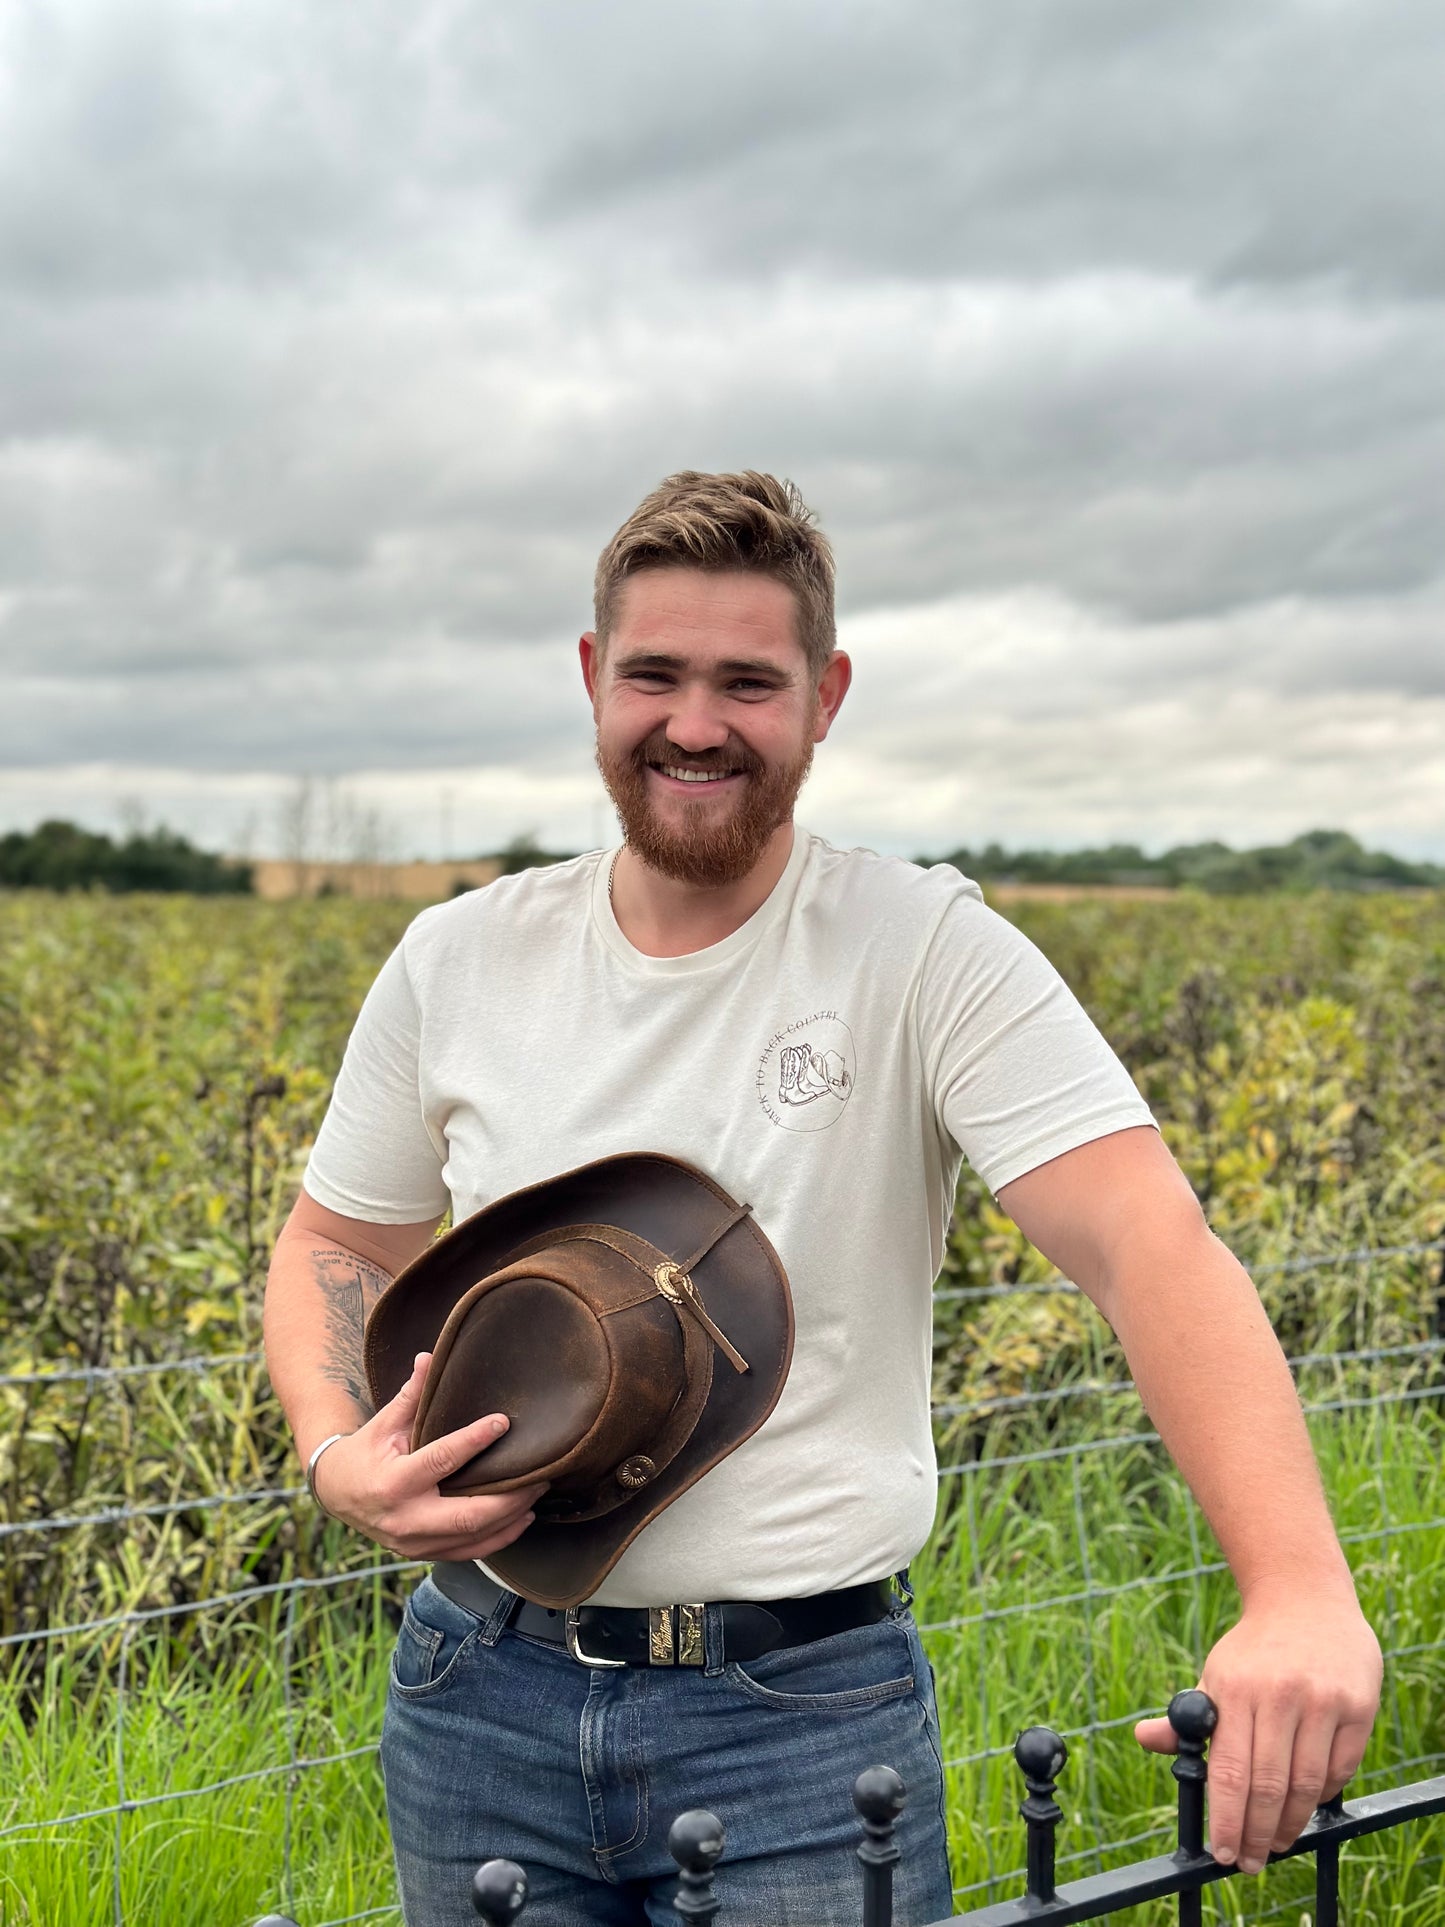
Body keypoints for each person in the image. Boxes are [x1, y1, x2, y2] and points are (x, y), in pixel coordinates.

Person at [264, 471, 1382, 1926]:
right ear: (594, 677)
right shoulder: (460, 957)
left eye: (749, 681)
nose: (695, 723)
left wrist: (1296, 1588)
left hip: (796, 1720)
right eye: (655, 674)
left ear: (825, 695)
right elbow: (338, 1239)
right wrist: (334, 1448)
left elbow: (1142, 1241)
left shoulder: (921, 949)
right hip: (475, 1691)